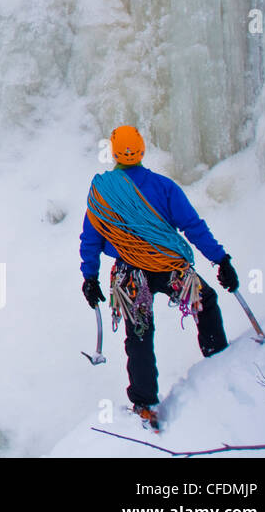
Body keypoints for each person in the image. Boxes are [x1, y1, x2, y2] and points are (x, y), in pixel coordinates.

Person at [79, 125, 238, 431]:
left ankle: (144, 403)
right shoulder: (164, 187)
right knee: (205, 300)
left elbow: (91, 239)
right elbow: (193, 227)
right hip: (169, 266)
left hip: (130, 274)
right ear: (141, 151)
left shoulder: (103, 192)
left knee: (139, 333)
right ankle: (218, 360)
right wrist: (221, 260)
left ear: (114, 153)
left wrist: (90, 277)